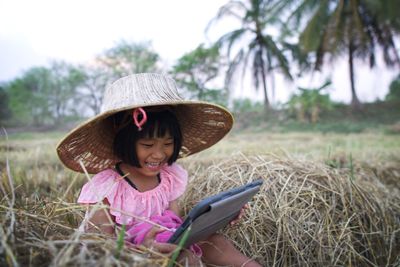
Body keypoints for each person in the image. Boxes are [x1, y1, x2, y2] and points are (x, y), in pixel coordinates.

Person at [57, 73, 261, 266]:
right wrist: (144, 251)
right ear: (123, 142)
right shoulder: (107, 187)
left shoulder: (170, 176)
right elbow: (100, 247)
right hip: (132, 256)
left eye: (168, 143)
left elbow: (173, 223)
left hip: (166, 244)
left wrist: (218, 218)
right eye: (147, 145)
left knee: (214, 241)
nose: (159, 154)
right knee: (184, 258)